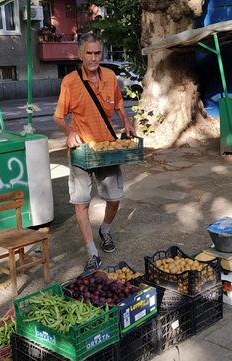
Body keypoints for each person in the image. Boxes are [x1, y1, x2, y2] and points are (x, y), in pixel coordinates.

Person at [53, 32, 136, 271]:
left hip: (107, 147)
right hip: (81, 150)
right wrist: (69, 132)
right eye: (88, 53)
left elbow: (118, 103)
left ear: (102, 54)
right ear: (80, 55)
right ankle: (92, 252)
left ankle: (106, 229)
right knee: (81, 203)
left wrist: (126, 121)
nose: (93, 58)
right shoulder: (70, 81)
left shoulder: (110, 76)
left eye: (97, 53)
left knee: (115, 197)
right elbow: (58, 117)